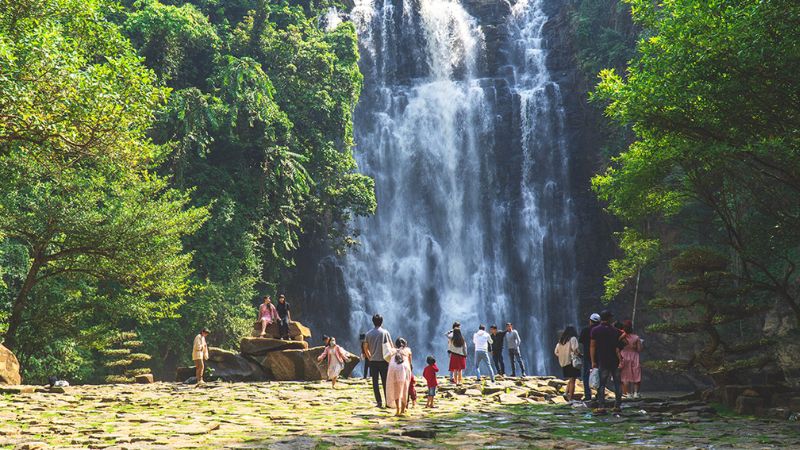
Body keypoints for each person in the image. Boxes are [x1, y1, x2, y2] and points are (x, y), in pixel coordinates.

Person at [591, 310, 624, 411]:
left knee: (602, 384)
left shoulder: (595, 330)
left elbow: (592, 346)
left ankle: (601, 406)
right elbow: (623, 341)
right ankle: (617, 406)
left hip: (602, 359)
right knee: (617, 383)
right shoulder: (615, 331)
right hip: (614, 360)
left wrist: (593, 361)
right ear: (609, 319)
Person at [364, 314, 393, 408]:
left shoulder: (368, 334)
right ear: (382, 322)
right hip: (384, 361)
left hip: (373, 361)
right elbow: (391, 346)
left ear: (373, 322)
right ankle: (388, 401)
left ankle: (379, 402)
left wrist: (369, 357)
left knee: (375, 382)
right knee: (385, 382)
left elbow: (365, 347)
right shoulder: (385, 333)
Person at [386, 338, 412, 416]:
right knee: (405, 388)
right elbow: (410, 362)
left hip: (393, 368)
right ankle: (403, 410)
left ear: (395, 344)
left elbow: (388, 360)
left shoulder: (392, 351)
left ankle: (398, 409)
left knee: (396, 389)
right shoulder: (407, 350)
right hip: (404, 368)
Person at [554, 326, 580, 401]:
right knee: (573, 380)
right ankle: (571, 398)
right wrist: (580, 355)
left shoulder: (561, 341)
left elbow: (556, 352)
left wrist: (562, 355)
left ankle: (566, 393)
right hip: (571, 362)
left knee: (571, 379)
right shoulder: (573, 339)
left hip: (564, 362)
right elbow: (575, 350)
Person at [578, 313, 601, 402]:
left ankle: (588, 395)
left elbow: (581, 341)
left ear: (590, 321)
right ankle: (599, 394)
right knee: (599, 375)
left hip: (587, 355)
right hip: (599, 356)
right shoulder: (600, 330)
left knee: (586, 375)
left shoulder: (585, 330)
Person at [620, 320, 643, 399]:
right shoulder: (636, 337)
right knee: (636, 375)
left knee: (625, 376)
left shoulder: (621, 336)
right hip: (634, 356)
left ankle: (627, 393)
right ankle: (636, 393)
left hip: (624, 356)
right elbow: (639, 349)